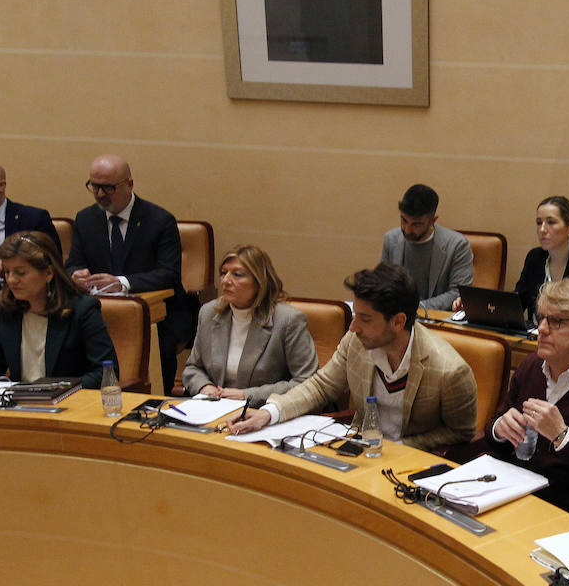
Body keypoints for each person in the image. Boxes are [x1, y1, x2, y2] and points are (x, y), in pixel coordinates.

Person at [446, 278, 569, 528]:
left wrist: (563, 437)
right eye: (541, 318)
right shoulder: (530, 367)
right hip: (512, 497)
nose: (541, 328)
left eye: (556, 322)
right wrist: (500, 428)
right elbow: (494, 432)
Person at [227, 263, 477, 451]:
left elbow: (460, 432)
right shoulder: (356, 342)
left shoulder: (449, 371)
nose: (353, 327)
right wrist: (269, 412)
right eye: (354, 314)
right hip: (358, 452)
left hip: (407, 464)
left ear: (398, 321)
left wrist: (398, 445)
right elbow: (321, 386)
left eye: (365, 319)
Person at [64, 154, 194, 393]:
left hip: (158, 315)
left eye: (108, 187)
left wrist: (122, 283)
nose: (101, 194)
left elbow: (168, 274)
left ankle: (157, 400)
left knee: (160, 347)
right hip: (99, 312)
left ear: (129, 184)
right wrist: (75, 275)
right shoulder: (85, 219)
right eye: (94, 186)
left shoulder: (160, 220)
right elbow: (72, 264)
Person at [0, 231, 116, 393]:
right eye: (7, 272)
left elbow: (106, 372)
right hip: (19, 406)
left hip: (69, 405)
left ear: (48, 273)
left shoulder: (82, 309)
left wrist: (54, 389)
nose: (11, 280)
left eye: (20, 273)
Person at [182, 245, 319, 403]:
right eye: (223, 273)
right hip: (215, 410)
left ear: (259, 281)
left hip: (264, 413)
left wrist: (246, 395)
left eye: (237, 275)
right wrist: (204, 387)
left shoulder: (288, 320)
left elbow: (307, 382)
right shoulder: (209, 312)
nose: (226, 281)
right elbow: (193, 368)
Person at [379, 183, 475, 311]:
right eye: (404, 220)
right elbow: (383, 284)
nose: (407, 230)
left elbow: (458, 294)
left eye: (416, 225)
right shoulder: (391, 239)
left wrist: (415, 308)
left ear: (432, 221)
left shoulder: (458, 245)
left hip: (438, 321)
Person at [512, 196, 569, 317]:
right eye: (539, 223)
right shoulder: (534, 258)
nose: (542, 229)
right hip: (535, 333)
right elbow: (518, 302)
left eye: (551, 222)